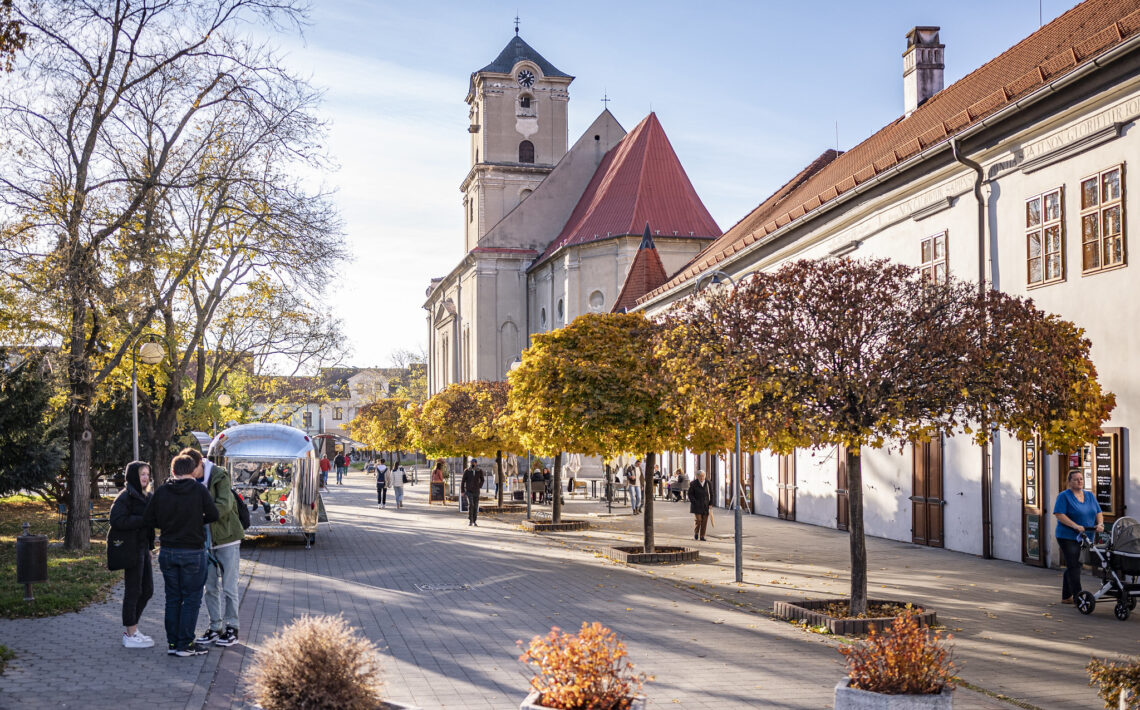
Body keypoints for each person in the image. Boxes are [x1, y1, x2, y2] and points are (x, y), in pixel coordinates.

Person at [142, 454, 219, 657]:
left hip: (168, 551)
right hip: (193, 551)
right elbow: (213, 514)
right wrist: (196, 520)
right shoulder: (199, 491)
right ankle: (185, 643)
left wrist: (167, 523)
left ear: (173, 471)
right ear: (193, 470)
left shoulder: (162, 491)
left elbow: (149, 518)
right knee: (192, 599)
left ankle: (173, 643)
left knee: (172, 598)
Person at [181, 448, 244, 648]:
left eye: (194, 470)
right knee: (210, 586)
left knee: (229, 585)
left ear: (201, 462)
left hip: (226, 537)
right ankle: (215, 626)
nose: (192, 474)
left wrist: (199, 516)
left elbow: (225, 504)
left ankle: (232, 627)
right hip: (204, 540)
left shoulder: (219, 475)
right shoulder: (190, 478)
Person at [109, 460, 156, 649]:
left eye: (147, 474)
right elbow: (116, 520)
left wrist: (151, 548)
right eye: (141, 474)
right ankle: (130, 633)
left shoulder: (147, 496)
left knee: (148, 590)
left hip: (143, 548)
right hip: (131, 549)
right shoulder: (125, 497)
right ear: (132, 476)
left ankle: (133, 629)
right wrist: (141, 520)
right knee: (133, 590)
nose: (145, 477)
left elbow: (150, 525)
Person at [1054, 469, 1104, 604]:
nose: (1079, 481)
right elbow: (1059, 514)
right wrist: (1074, 525)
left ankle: (1066, 596)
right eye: (1076, 479)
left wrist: (1100, 523)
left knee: (1075, 564)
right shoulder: (1063, 496)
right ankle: (1079, 597)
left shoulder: (1089, 495)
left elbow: (1098, 511)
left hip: (1086, 535)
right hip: (1067, 536)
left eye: (1081, 479)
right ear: (1069, 482)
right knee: (1074, 565)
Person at [689, 469, 713, 541]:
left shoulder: (708, 483)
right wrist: (694, 502)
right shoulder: (693, 483)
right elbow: (690, 494)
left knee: (704, 521)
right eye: (700, 476)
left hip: (706, 505)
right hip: (697, 505)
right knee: (698, 520)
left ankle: (702, 536)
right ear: (697, 477)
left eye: (703, 476)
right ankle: (696, 532)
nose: (702, 478)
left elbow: (711, 494)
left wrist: (711, 503)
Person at [461, 461, 484, 526]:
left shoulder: (479, 471)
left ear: (476, 463)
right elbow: (463, 481)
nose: (473, 464)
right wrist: (462, 491)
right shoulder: (467, 471)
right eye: (472, 463)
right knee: (471, 504)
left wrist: (479, 486)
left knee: (476, 506)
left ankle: (474, 520)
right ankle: (470, 520)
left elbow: (482, 479)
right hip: (469, 491)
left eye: (474, 463)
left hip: (476, 491)